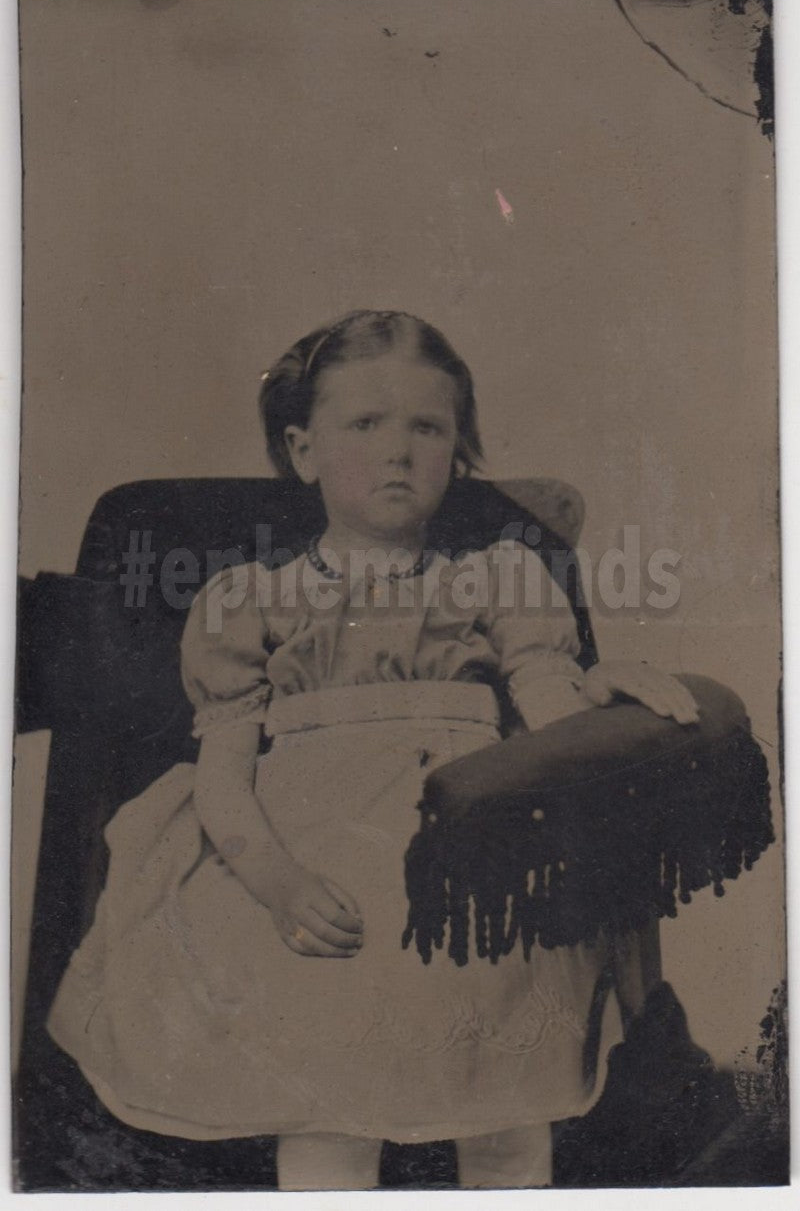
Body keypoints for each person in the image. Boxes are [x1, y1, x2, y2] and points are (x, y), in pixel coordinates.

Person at [47, 309, 698, 1190]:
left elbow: (548, 715)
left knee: (507, 1105)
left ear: (457, 452)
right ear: (304, 449)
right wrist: (279, 887)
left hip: (467, 872)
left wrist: (596, 692)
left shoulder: (497, 580)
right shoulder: (253, 601)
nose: (400, 450)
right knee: (326, 1109)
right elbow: (224, 780)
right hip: (315, 872)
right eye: (365, 424)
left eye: (427, 428)